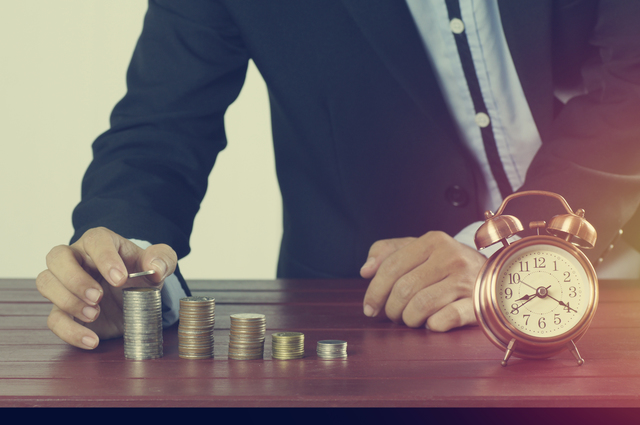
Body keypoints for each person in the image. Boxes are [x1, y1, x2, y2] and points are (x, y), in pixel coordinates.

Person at [36, 0, 640, 350]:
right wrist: (124, 262)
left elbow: (631, 85)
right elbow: (162, 125)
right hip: (374, 323)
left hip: (615, 275)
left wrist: (511, 247)